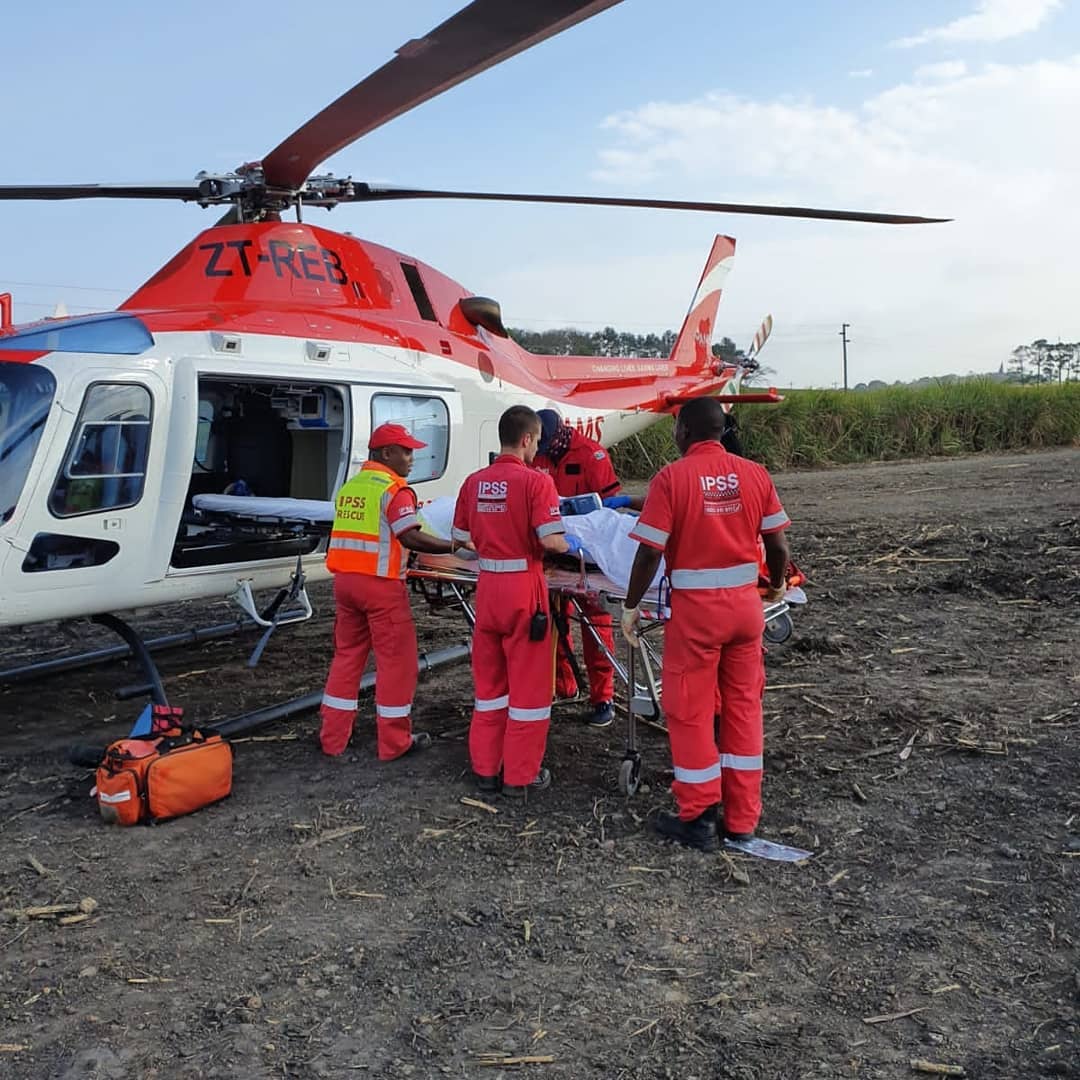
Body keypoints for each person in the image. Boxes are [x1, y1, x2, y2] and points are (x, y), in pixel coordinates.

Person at [620, 396, 791, 852]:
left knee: (691, 711)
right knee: (742, 709)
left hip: (697, 615)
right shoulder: (755, 474)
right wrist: (774, 585)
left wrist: (631, 605)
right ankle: (741, 820)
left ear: (685, 432)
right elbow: (777, 546)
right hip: (745, 612)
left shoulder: (671, 478)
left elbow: (650, 550)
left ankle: (698, 816)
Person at [453, 405, 572, 797]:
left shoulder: (474, 482)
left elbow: (460, 543)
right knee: (530, 692)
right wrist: (572, 543)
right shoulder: (536, 483)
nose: (537, 448)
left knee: (489, 687)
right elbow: (550, 540)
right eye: (537, 441)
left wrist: (492, 545)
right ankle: (521, 776)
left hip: (487, 589)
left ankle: (486, 769)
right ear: (526, 439)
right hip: (525, 590)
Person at [319, 422, 455, 760]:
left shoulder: (353, 486)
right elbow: (409, 535)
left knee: (347, 658)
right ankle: (394, 744)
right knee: (398, 664)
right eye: (406, 451)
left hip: (345, 584)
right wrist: (453, 545)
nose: (412, 458)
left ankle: (333, 738)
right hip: (380, 586)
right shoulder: (394, 490)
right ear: (385, 453)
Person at [532, 408, 642, 728]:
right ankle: (564, 686)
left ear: (558, 436)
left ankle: (602, 696)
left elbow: (609, 514)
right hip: (552, 550)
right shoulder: (539, 453)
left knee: (595, 623)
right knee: (555, 621)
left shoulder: (591, 456)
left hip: (588, 555)